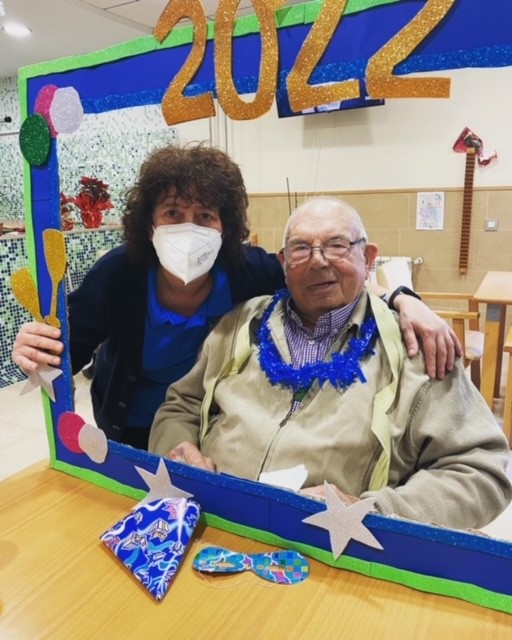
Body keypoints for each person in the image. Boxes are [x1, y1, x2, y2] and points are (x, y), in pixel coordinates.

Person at [13, 145, 458, 450]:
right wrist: (33, 350)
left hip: (211, 428)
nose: (188, 227)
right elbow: (62, 349)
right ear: (149, 224)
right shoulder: (119, 274)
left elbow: (332, 281)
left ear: (225, 227)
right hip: (127, 426)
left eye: (205, 215)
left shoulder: (250, 272)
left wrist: (403, 298)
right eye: (172, 213)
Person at [149, 196, 511, 530]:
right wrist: (177, 448)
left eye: (337, 245)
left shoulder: (418, 347)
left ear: (368, 258)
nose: (319, 260)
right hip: (208, 526)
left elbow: (481, 470)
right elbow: (182, 404)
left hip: (331, 550)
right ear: (283, 264)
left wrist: (373, 511)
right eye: (301, 248)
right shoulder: (241, 324)